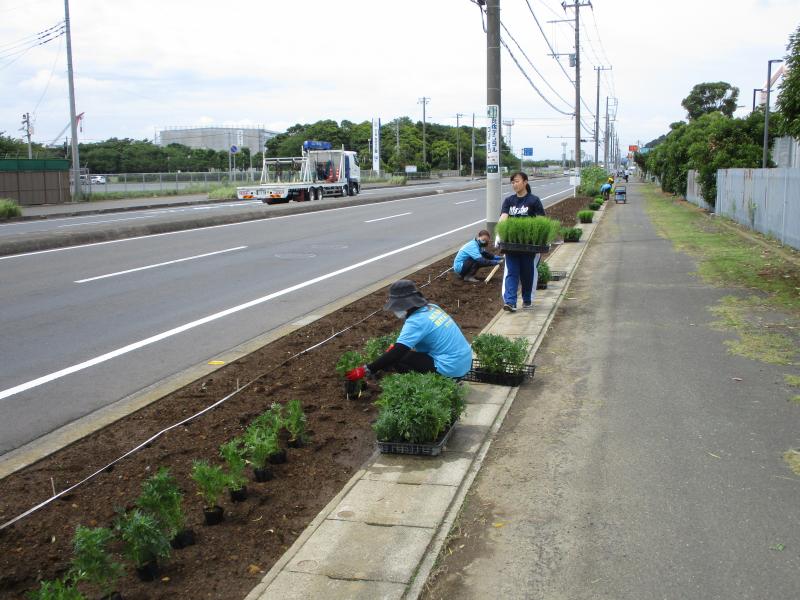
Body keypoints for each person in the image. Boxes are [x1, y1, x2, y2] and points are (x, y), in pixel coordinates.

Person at [345, 279, 472, 381]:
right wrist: (396, 349)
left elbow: (397, 353)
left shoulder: (416, 321)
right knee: (402, 354)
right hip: (464, 362)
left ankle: (426, 385)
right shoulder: (432, 308)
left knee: (399, 359)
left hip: (451, 369)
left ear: (403, 304)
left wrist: (367, 369)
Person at [499, 172, 545, 312]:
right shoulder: (509, 201)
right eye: (512, 182)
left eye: (517, 181)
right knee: (512, 272)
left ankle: (527, 300)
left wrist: (540, 239)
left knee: (527, 273)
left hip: (528, 245)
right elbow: (503, 218)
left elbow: (541, 221)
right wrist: (499, 233)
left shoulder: (534, 200)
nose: (514, 184)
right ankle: (510, 302)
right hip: (511, 244)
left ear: (525, 182)